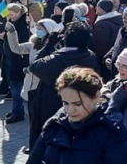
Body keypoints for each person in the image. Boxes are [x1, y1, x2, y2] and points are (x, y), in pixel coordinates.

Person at [27, 67, 127, 164]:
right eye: (65, 103)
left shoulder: (112, 132)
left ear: (96, 96)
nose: (70, 110)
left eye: (77, 104)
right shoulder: (55, 125)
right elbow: (34, 159)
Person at [27, 21, 100, 151]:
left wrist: (49, 43)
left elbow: (34, 66)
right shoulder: (90, 56)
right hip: (82, 108)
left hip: (51, 108)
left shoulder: (55, 60)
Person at [6, 18, 60, 154]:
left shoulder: (55, 46)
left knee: (41, 119)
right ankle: (35, 144)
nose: (39, 31)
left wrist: (33, 69)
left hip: (42, 87)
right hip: (30, 87)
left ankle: (44, 145)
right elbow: (16, 48)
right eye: (38, 27)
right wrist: (12, 32)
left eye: (42, 28)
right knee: (32, 118)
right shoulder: (34, 43)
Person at [1, 3, 31, 124]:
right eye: (8, 14)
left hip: (19, 59)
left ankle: (18, 112)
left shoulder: (23, 24)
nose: (10, 16)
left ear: (19, 13)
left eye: (12, 14)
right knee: (13, 85)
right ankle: (17, 110)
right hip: (10, 57)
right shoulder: (11, 22)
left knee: (16, 87)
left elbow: (21, 42)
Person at [90, 0, 122, 81]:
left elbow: (100, 45)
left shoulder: (102, 24)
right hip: (114, 55)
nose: (96, 9)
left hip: (104, 59)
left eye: (97, 6)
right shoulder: (119, 18)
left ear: (102, 9)